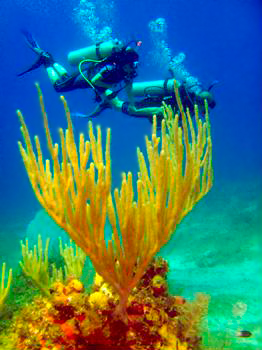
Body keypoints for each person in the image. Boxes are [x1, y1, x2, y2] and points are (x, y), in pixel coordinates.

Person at [18, 30, 216, 122]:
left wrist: (125, 96)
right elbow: (96, 81)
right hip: (88, 76)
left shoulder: (127, 72)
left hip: (95, 82)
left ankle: (49, 61)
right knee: (60, 87)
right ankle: (47, 59)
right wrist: (107, 94)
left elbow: (130, 93)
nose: (134, 70)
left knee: (64, 83)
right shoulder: (114, 70)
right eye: (132, 67)